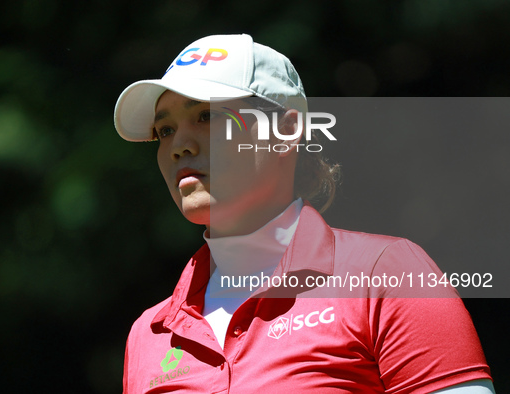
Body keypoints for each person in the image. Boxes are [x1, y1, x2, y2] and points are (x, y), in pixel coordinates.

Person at [114, 34, 494, 393]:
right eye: (164, 130)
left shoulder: (387, 274)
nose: (179, 145)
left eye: (206, 116)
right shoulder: (149, 333)